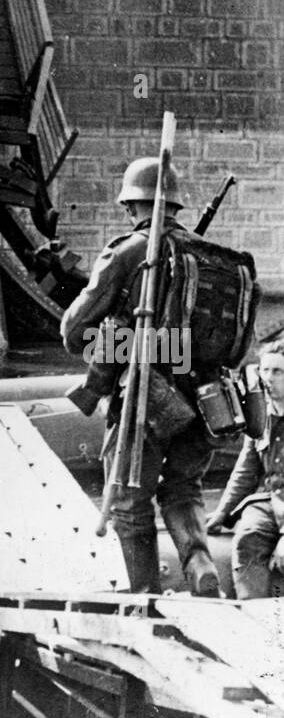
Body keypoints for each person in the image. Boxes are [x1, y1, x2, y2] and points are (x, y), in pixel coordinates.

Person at [60, 157, 223, 597]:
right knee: (184, 487)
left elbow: (73, 331)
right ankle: (199, 562)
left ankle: (145, 594)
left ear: (132, 205)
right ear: (175, 206)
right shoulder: (205, 253)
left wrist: (110, 341)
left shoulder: (129, 251)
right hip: (208, 396)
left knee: (130, 501)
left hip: (146, 398)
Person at [207, 351, 284, 598]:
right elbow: (245, 472)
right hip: (270, 502)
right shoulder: (262, 418)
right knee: (248, 537)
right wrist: (220, 514)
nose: (268, 378)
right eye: (264, 370)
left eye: (277, 372)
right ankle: (253, 615)